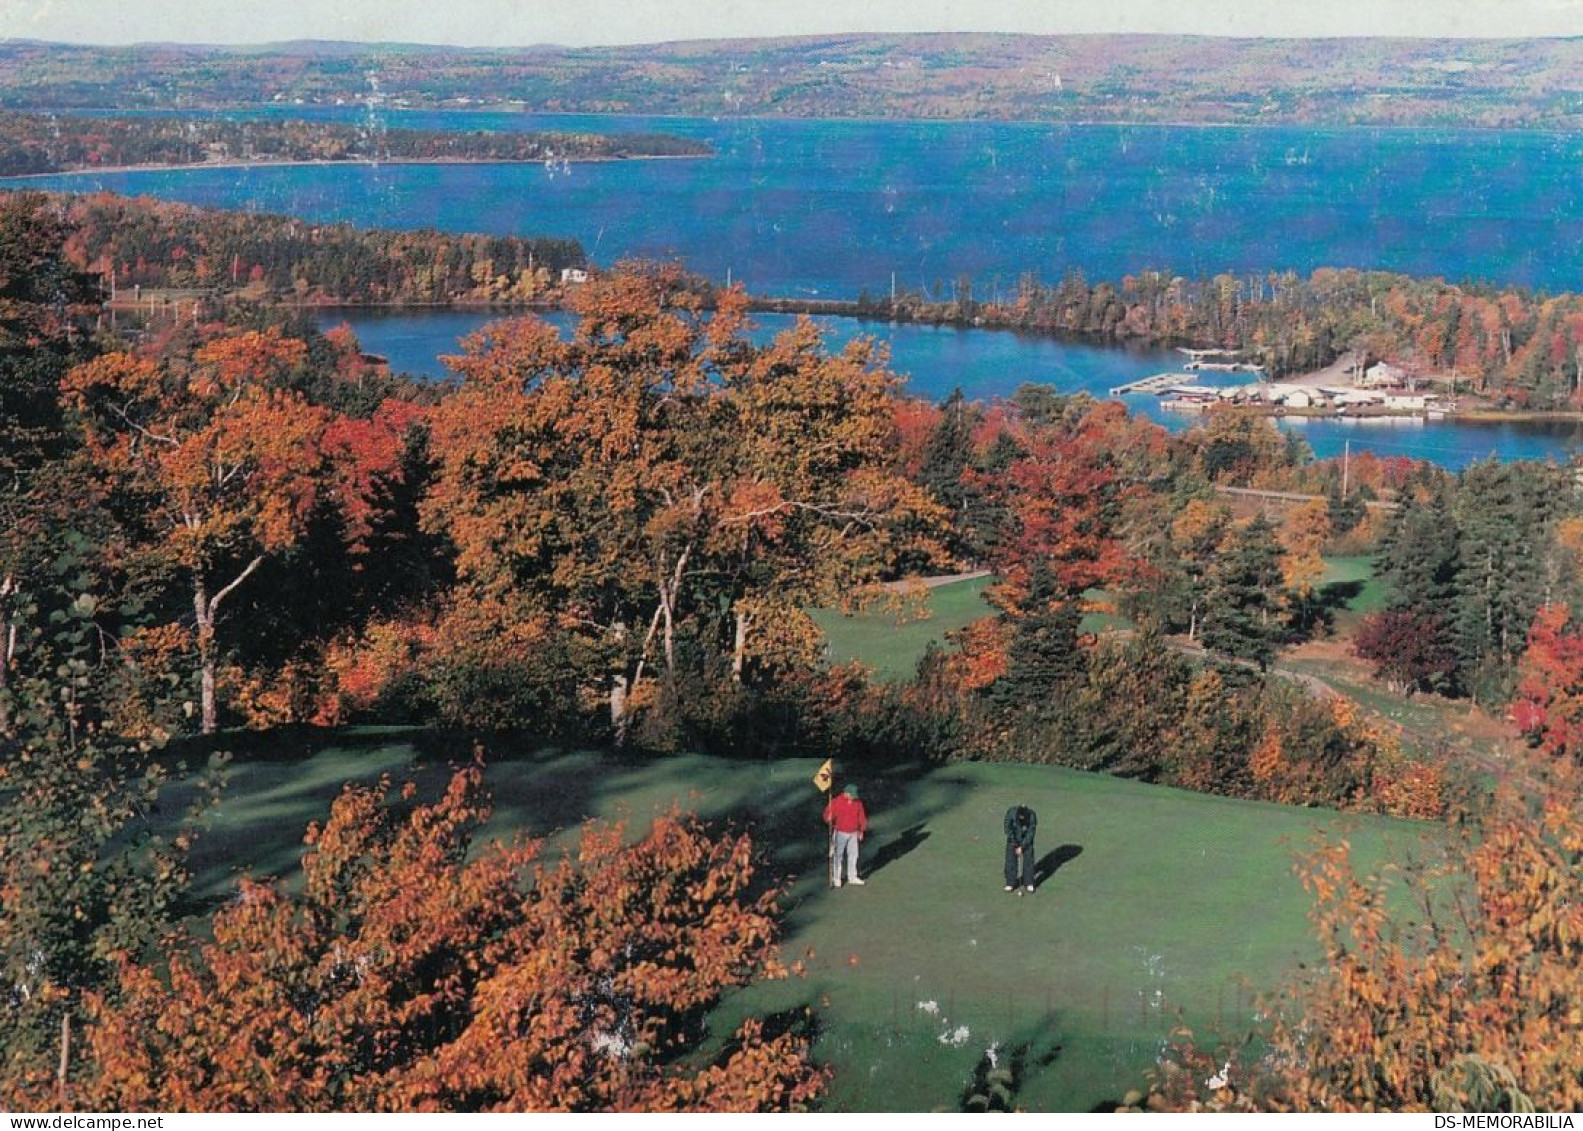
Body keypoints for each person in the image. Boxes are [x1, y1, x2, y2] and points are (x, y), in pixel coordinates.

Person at [824, 783, 867, 887]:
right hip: (840, 832)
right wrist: (828, 818)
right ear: (846, 793)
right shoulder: (836, 802)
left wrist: (861, 830)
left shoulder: (858, 803)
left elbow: (862, 817)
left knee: (854, 855)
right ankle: (837, 878)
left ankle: (852, 877)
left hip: (854, 832)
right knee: (838, 855)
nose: (854, 797)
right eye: (852, 795)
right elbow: (827, 815)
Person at [1004, 804, 1036, 893]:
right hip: (1013, 838)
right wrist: (1015, 844)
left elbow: (1030, 833)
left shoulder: (1032, 816)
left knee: (1029, 861)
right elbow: (1007, 828)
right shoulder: (1011, 813)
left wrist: (1022, 847)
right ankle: (1010, 883)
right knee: (1010, 860)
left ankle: (1029, 882)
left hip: (1026, 840)